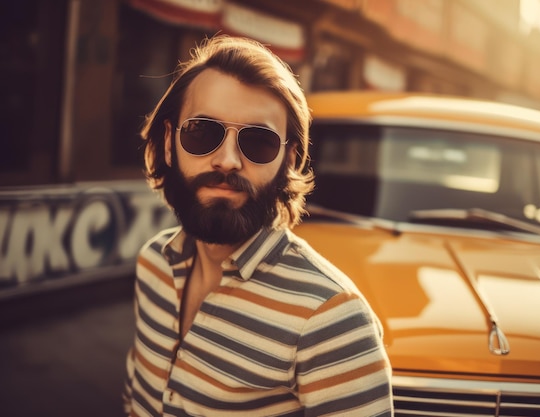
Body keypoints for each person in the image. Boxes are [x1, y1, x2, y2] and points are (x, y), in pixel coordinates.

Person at [122, 35, 393, 416]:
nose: (228, 160)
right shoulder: (153, 264)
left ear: (289, 162)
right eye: (202, 131)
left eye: (259, 142)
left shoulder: (330, 316)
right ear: (170, 142)